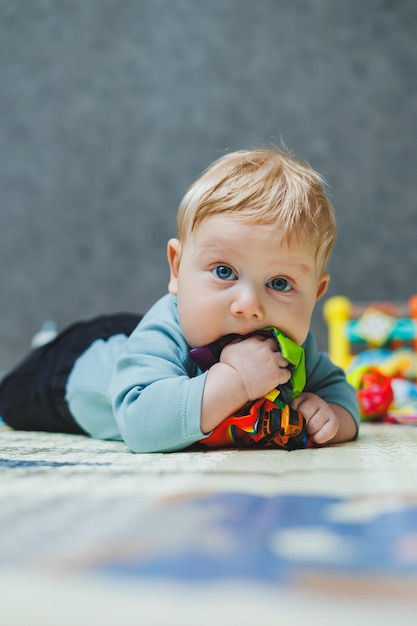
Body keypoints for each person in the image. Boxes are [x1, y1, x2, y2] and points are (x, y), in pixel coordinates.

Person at [0, 147, 359, 452]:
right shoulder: (163, 334)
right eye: (224, 272)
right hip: (69, 373)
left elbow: (340, 393)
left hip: (133, 338)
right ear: (177, 268)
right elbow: (140, 427)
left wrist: (333, 417)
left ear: (315, 294)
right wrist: (234, 381)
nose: (249, 305)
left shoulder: (290, 347)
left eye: (279, 283)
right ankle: (45, 344)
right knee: (11, 396)